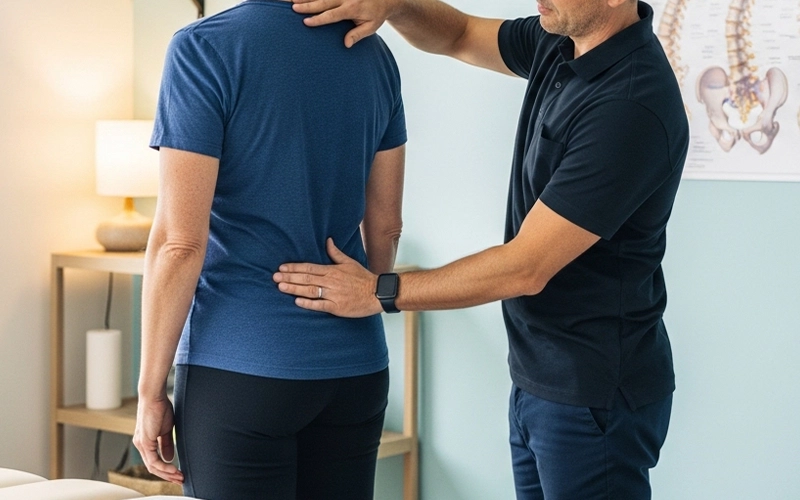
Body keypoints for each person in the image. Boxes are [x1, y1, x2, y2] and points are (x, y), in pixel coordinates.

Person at [273, 0, 690, 498]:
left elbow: (525, 267)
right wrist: (393, 4)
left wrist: (379, 291)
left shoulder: (630, 104)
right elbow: (460, 34)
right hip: (540, 378)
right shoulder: (560, 41)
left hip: (593, 395)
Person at [131, 0, 407, 498]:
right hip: (357, 368)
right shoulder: (376, 54)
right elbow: (385, 227)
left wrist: (150, 391)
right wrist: (368, 295)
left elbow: (179, 243)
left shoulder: (203, 48)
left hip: (241, 373)